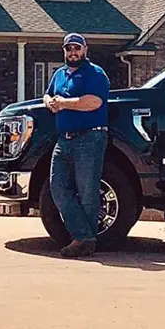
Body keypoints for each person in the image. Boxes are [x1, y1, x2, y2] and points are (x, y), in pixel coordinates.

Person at [43, 33, 111, 258]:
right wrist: (50, 102)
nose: (72, 52)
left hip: (90, 138)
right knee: (58, 187)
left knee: (87, 191)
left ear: (85, 49)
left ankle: (84, 242)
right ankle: (83, 236)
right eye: (68, 48)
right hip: (64, 139)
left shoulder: (95, 73)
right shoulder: (60, 74)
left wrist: (62, 103)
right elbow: (48, 94)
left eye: (76, 48)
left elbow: (94, 102)